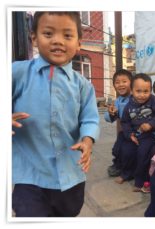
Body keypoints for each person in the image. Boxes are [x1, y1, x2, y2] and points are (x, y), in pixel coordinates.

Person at [12, 12, 100, 217]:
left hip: (71, 174)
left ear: (79, 43)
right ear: (34, 37)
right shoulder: (17, 73)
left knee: (68, 213)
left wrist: (87, 140)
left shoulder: (83, 85)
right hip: (29, 174)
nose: (58, 41)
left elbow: (90, 118)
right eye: (48, 33)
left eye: (67, 36)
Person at [118, 73, 155, 192]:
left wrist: (151, 124)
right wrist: (129, 135)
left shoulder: (154, 101)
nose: (142, 95)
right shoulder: (129, 105)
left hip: (149, 135)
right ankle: (126, 174)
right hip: (134, 135)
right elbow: (125, 122)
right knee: (126, 151)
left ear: (150, 91)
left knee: (142, 153)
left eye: (146, 91)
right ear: (132, 91)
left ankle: (140, 181)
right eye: (138, 91)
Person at [104, 69, 132, 177]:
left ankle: (125, 169)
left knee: (127, 151)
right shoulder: (118, 100)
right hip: (124, 133)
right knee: (116, 149)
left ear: (131, 82)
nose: (120, 85)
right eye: (117, 82)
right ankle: (118, 164)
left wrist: (118, 110)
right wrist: (111, 113)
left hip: (135, 132)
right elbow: (108, 118)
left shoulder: (135, 98)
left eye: (124, 81)